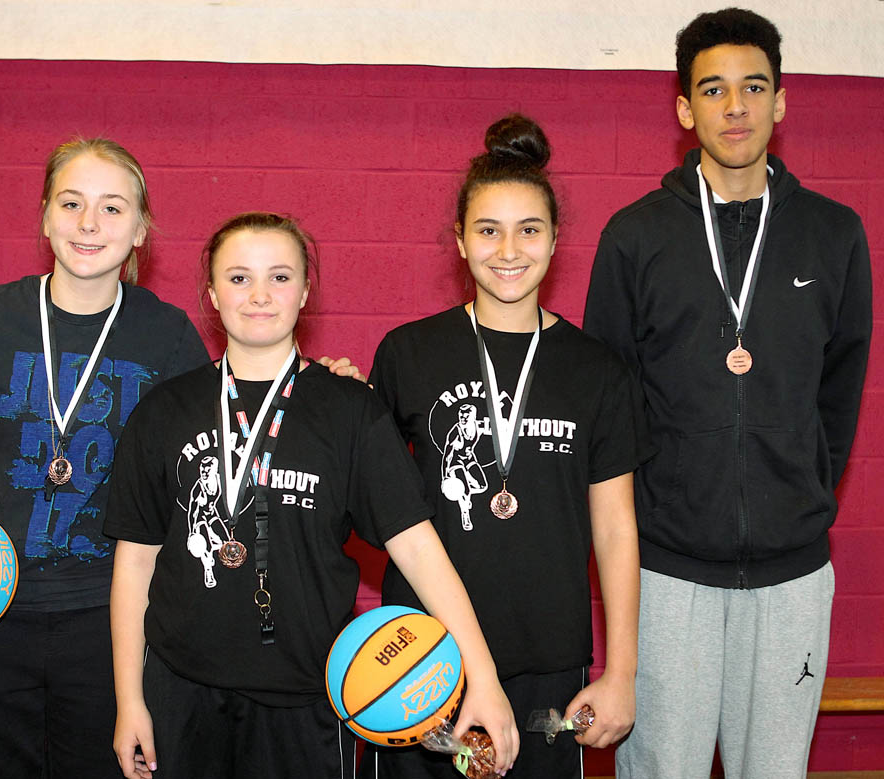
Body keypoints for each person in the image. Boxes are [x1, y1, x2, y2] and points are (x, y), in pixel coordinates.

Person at [105, 211, 519, 779]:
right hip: (182, 694)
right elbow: (135, 563)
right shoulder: (163, 411)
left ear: (304, 292)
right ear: (212, 295)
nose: (259, 295)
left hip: (307, 701)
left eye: (279, 277)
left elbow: (419, 549)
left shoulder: (351, 411)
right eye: (239, 278)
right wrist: (130, 700)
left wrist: (484, 677)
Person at [0, 137, 211, 776]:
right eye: (71, 203)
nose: (88, 223)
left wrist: (317, 386)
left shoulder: (167, 336)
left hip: (111, 623)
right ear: (45, 216)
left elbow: (223, 451)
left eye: (112, 208)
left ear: (141, 230)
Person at [583, 9, 872, 778]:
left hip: (792, 578)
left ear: (781, 100)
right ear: (685, 109)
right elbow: (609, 405)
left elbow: (839, 393)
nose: (735, 106)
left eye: (753, 87)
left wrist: (797, 484)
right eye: (713, 89)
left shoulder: (834, 233)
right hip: (666, 576)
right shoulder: (635, 236)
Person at [363, 114, 651, 779]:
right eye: (488, 230)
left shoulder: (597, 370)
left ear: (555, 240)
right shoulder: (408, 353)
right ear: (459, 241)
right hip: (422, 657)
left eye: (529, 229)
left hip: (547, 659)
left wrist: (622, 672)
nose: (508, 250)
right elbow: (374, 502)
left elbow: (615, 528)